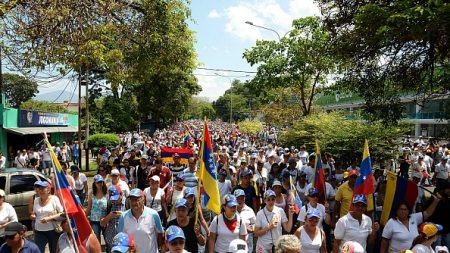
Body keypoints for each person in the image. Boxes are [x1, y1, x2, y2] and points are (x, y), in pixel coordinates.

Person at [118, 188, 164, 253]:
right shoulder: (123, 217)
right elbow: (120, 237)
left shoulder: (153, 214)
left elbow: (160, 233)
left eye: (137, 200)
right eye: (132, 200)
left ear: (143, 199)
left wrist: (160, 249)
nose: (134, 203)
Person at [31, 181, 63, 253]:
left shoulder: (54, 199)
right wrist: (33, 215)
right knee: (38, 250)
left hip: (53, 230)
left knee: (54, 250)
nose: (40, 190)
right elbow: (34, 213)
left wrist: (49, 218)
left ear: (48, 189)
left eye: (42, 188)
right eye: (39, 188)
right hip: (39, 230)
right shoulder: (36, 200)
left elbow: (62, 213)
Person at [101, 185, 126, 253]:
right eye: (113, 199)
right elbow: (102, 223)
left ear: (121, 194)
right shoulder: (107, 204)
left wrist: (124, 215)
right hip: (111, 241)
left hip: (125, 241)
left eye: (116, 198)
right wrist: (109, 216)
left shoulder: (128, 203)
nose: (114, 201)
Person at [85, 174, 108, 243]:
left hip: (105, 220)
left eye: (101, 182)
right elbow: (89, 208)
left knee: (107, 240)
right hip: (94, 221)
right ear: (95, 183)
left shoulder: (107, 193)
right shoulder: (91, 194)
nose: (100, 184)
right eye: (98, 182)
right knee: (96, 241)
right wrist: (84, 215)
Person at [235, 189, 256, 253]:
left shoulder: (250, 210)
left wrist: (252, 228)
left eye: (242, 198)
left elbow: (255, 224)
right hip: (233, 242)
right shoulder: (231, 210)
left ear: (245, 198)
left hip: (247, 243)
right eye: (238, 198)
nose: (240, 200)